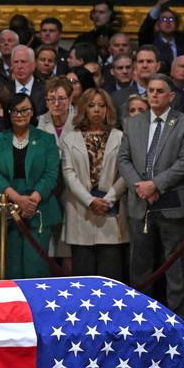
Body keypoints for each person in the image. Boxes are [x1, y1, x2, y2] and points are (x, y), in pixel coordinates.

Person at [118, 74, 184, 315]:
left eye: (159, 91)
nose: (153, 95)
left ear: (171, 96)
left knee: (175, 266)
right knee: (140, 265)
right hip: (140, 202)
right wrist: (140, 186)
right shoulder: (133, 123)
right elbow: (123, 159)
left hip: (173, 202)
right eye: (150, 90)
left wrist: (155, 185)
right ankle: (139, 317)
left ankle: (177, 320)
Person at [0, 92, 61, 277]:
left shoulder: (47, 139)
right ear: (8, 114)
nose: (20, 115)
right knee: (10, 265)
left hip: (39, 207)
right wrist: (17, 199)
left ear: (32, 112)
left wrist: (32, 200)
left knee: (36, 265)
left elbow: (51, 174)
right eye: (15, 111)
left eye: (25, 110)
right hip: (7, 208)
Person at [61, 88, 129, 279]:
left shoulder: (120, 136)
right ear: (84, 109)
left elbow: (126, 172)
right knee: (83, 276)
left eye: (101, 105)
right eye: (91, 105)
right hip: (81, 211)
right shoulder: (70, 138)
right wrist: (90, 200)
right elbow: (68, 174)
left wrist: (108, 199)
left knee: (111, 275)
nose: (97, 110)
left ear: (108, 109)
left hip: (111, 211)